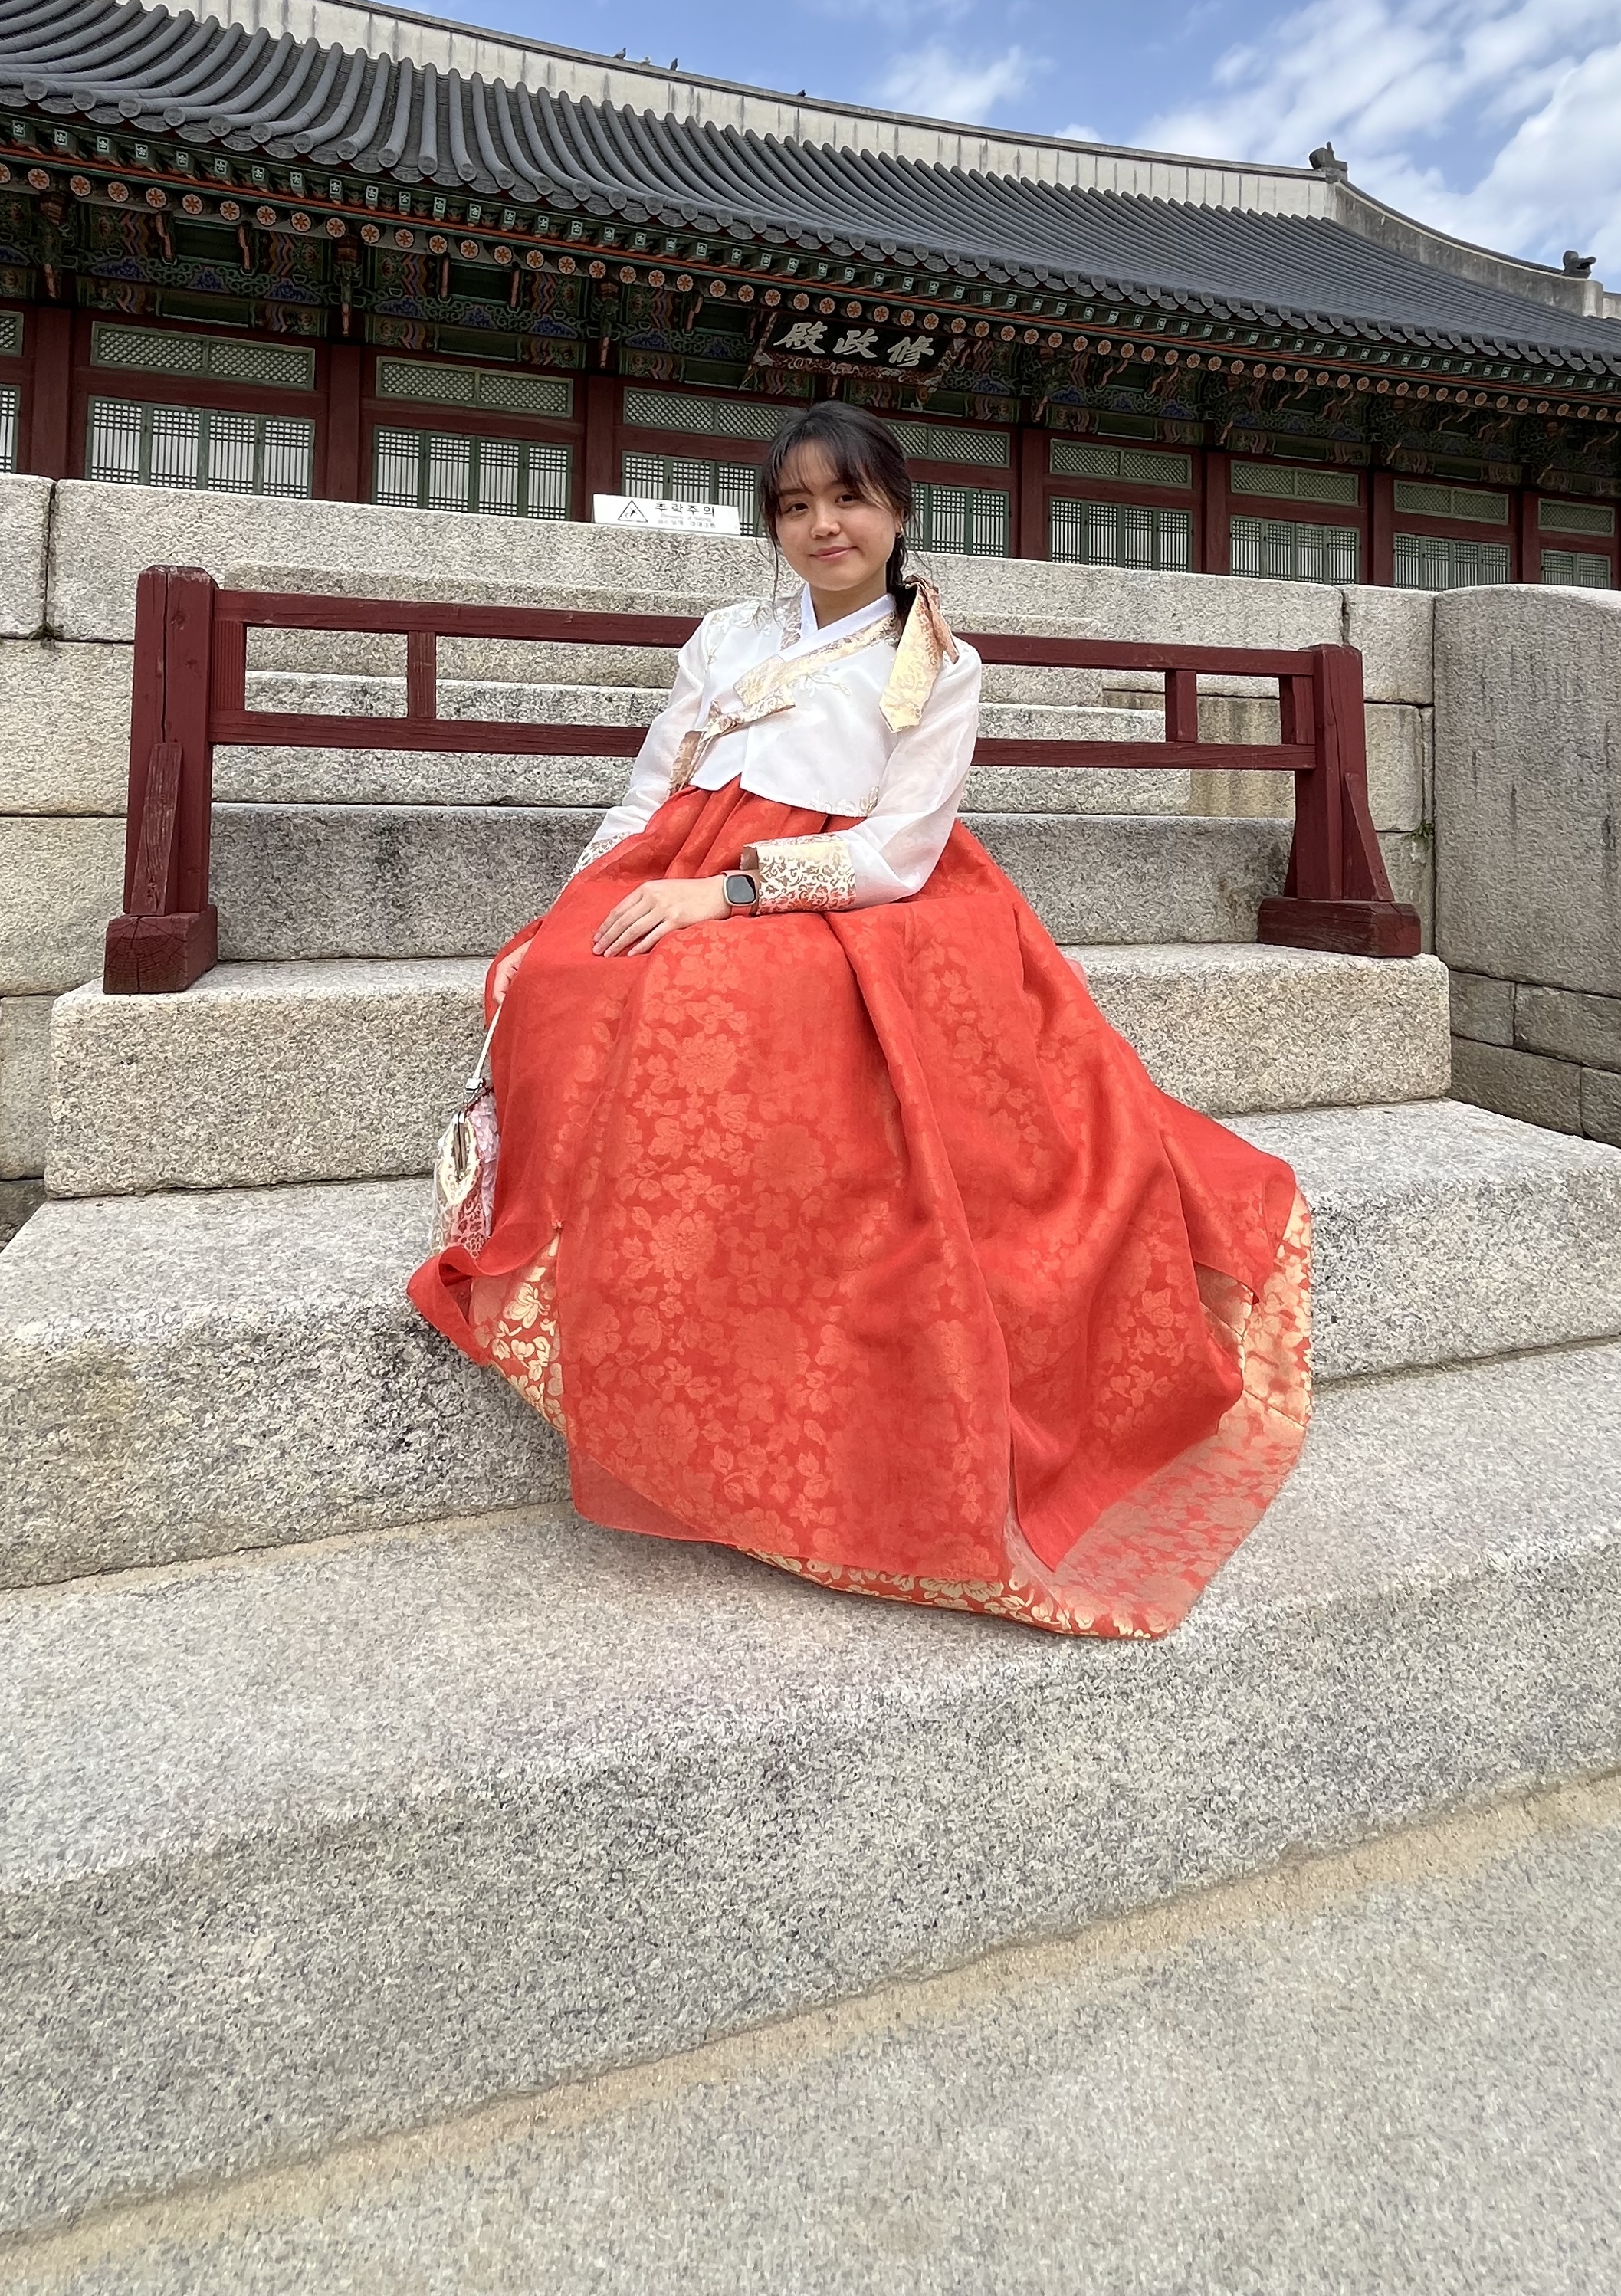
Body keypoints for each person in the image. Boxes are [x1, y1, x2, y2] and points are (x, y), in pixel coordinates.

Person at [409, 402, 1311, 1638]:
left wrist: (730, 894)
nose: (824, 526)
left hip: (848, 893)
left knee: (707, 1001)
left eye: (848, 500)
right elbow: (650, 783)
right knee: (569, 975)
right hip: (685, 855)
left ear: (896, 511)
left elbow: (899, 849)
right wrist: (591, 895)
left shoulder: (935, 659)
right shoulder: (728, 635)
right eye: (795, 506)